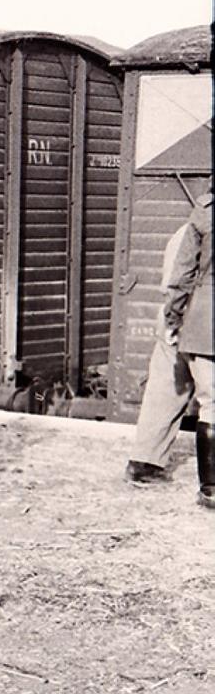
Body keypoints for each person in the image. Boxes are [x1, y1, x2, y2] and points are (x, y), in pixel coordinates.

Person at [124, 206, 208, 485]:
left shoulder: (185, 230)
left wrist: (172, 320)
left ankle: (144, 462)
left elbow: (172, 281)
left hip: (173, 315)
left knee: (164, 390)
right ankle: (211, 484)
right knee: (212, 399)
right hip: (200, 320)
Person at [159, 194, 214, 508]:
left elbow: (181, 274)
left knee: (211, 404)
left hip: (205, 319)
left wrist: (173, 318)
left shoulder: (205, 211)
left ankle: (211, 489)